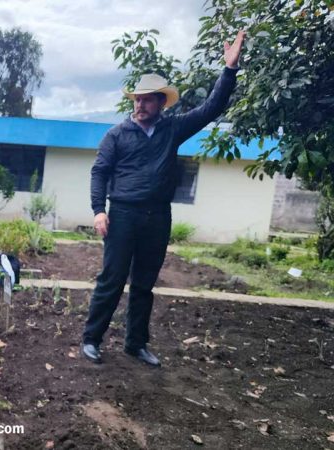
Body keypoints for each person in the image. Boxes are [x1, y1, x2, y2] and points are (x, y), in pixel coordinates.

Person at [81, 30, 246, 367]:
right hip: (123, 215)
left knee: (144, 284)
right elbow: (99, 172)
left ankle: (136, 344)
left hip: (157, 217)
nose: (140, 105)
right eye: (137, 99)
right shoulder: (116, 135)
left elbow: (211, 108)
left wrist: (229, 70)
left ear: (160, 103)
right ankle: (91, 339)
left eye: (147, 100)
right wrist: (99, 210)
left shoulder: (173, 129)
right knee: (112, 280)